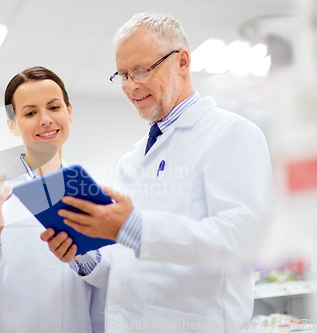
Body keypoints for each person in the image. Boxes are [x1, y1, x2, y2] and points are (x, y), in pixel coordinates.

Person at [41, 13, 273, 332]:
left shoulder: (232, 133)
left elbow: (243, 240)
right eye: (122, 74)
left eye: (140, 70)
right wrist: (85, 257)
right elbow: (129, 271)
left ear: (182, 62)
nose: (130, 86)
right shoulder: (131, 160)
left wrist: (133, 226)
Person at [0, 66, 105, 333]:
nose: (45, 119)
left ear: (69, 111)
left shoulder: (93, 192)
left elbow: (111, 287)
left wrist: (83, 253)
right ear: (12, 124)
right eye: (30, 113)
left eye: (54, 107)